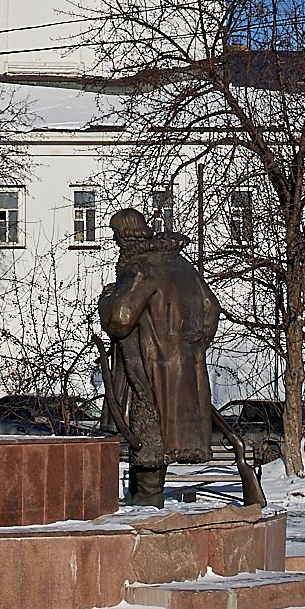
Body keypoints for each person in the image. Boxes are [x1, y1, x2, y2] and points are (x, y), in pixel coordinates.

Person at [98, 207, 219, 506]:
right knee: (157, 431)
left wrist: (107, 299)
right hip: (186, 368)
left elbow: (120, 319)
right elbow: (211, 309)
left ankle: (147, 499)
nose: (115, 241)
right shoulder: (181, 266)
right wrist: (191, 347)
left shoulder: (140, 267)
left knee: (147, 427)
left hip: (150, 367)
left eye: (116, 235)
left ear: (125, 235)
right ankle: (145, 494)